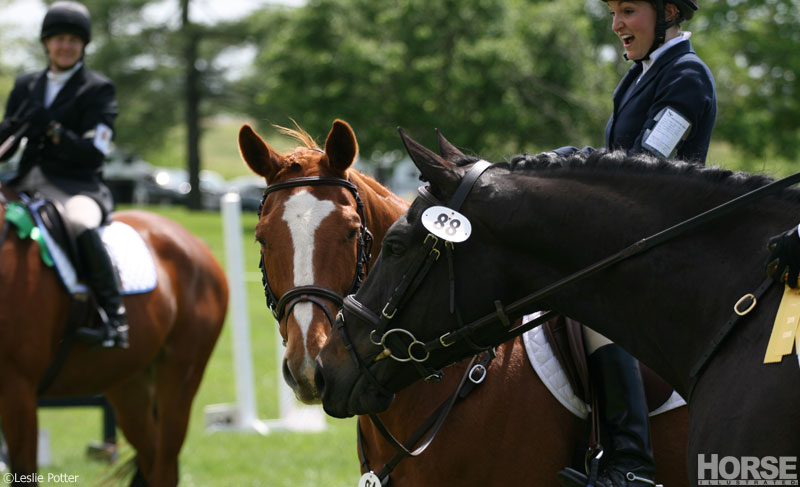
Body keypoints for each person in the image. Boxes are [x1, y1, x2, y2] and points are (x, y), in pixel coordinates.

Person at [553, 1, 716, 487]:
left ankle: (631, 462)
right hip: (637, 238)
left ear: (667, 11)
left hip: (670, 246)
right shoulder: (638, 76)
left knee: (596, 301)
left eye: (627, 10)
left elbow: (643, 167)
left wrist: (568, 162)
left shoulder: (687, 76)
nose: (616, 24)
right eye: (612, 12)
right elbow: (614, 158)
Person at [0, 1, 128, 348]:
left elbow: (94, 152)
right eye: (58, 39)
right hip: (25, 181)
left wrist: (53, 129)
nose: (65, 46)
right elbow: (9, 140)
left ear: (83, 45)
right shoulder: (27, 84)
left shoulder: (97, 89)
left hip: (75, 187)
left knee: (80, 224)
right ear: (46, 43)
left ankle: (114, 317)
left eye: (73, 39)